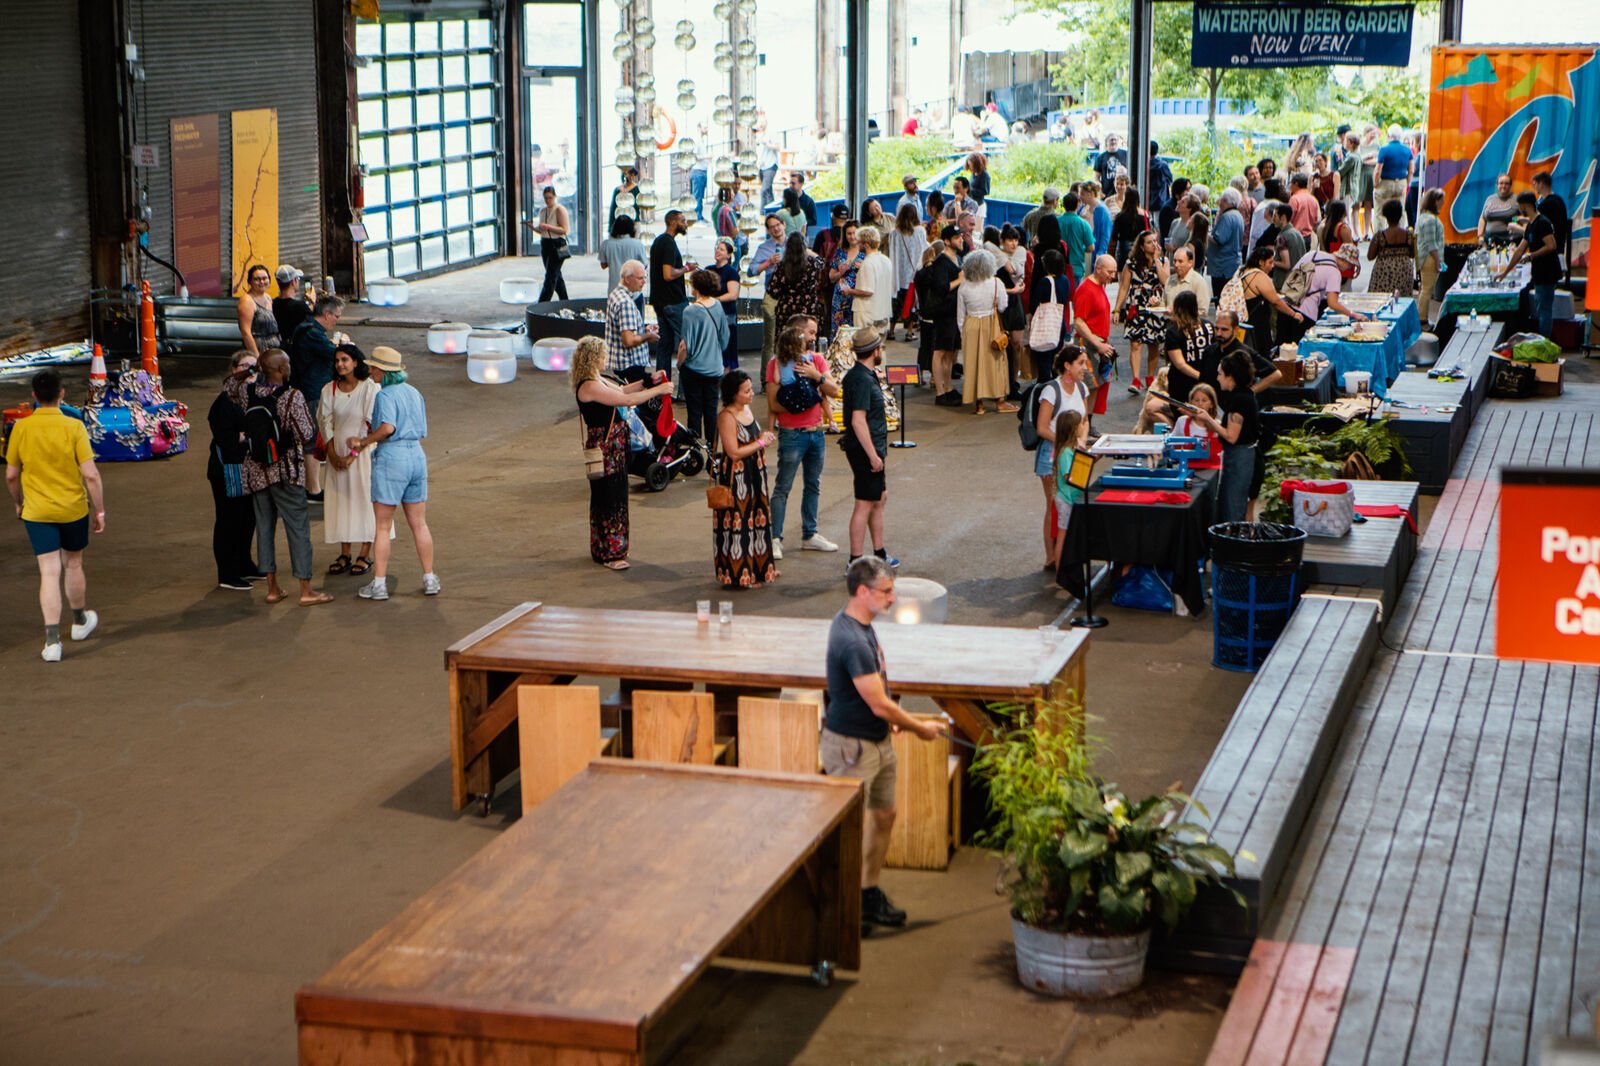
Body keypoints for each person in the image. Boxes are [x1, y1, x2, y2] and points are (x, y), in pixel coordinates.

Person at [823, 556, 946, 930]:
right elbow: (878, 703)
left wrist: (894, 717)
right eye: (887, 592)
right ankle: (844, 906)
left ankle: (867, 893)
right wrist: (919, 726)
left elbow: (878, 693)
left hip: (875, 738)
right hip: (852, 746)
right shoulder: (851, 640)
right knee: (851, 827)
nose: (893, 599)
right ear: (863, 592)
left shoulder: (863, 625)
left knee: (882, 814)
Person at [7, 369, 105, 661]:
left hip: (37, 511)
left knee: (48, 572)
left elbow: (12, 476)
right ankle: (78, 622)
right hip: (72, 508)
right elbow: (91, 475)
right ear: (62, 394)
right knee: (73, 564)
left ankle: (52, 642)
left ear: (34, 396)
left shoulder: (20, 429)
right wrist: (99, 509)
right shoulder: (74, 427)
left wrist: (19, 502)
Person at [230, 349, 329, 607]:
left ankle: (273, 588)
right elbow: (307, 433)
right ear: (282, 370)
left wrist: (252, 371)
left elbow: (229, 385)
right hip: (285, 470)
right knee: (298, 529)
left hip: (256, 472)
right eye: (287, 363)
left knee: (264, 528)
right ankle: (306, 590)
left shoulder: (247, 393)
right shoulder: (292, 396)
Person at [570, 336, 672, 571]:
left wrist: (648, 381)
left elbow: (625, 389)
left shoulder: (597, 380)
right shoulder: (590, 385)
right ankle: (611, 552)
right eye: (604, 355)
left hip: (613, 445)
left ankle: (603, 547)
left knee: (610, 496)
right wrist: (658, 390)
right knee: (610, 497)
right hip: (607, 448)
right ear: (594, 358)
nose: (607, 359)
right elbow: (626, 399)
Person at [345, 346, 439, 600]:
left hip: (392, 457)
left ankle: (379, 584)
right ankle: (430, 578)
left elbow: (387, 428)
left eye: (374, 367)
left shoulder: (385, 396)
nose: (371, 371)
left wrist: (362, 442)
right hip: (416, 456)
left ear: (383, 371)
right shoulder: (414, 393)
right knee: (419, 523)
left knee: (383, 526)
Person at [765, 322, 839, 559]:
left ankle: (810, 534)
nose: (811, 339)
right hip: (792, 434)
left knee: (813, 484)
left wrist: (816, 377)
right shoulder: (775, 363)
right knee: (783, 487)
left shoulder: (816, 361)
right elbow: (773, 403)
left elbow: (834, 390)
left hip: (816, 432)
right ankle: (775, 538)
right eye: (808, 334)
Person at [318, 344, 383, 578]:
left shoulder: (369, 388)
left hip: (362, 456)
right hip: (337, 457)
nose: (340, 364)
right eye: (337, 361)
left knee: (364, 501)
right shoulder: (329, 389)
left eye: (345, 359)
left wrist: (352, 456)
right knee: (341, 503)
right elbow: (324, 423)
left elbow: (369, 424)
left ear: (356, 362)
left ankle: (364, 553)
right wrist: (333, 455)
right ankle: (344, 552)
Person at [712, 369, 779, 588]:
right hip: (738, 476)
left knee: (758, 518)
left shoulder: (746, 409)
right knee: (739, 521)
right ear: (734, 394)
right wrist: (760, 444)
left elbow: (750, 439)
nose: (751, 394)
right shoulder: (727, 417)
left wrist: (762, 438)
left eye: (751, 389)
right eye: (746, 391)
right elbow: (733, 452)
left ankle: (759, 568)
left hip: (755, 472)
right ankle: (740, 573)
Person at [841, 328, 897, 568]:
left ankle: (879, 552)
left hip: (869, 447)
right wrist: (873, 455)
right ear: (875, 351)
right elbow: (858, 420)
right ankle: (855, 560)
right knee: (864, 503)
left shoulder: (862, 375)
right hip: (865, 449)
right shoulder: (862, 380)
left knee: (879, 498)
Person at [1032, 346, 1090, 568]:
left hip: (1075, 453)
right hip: (1052, 454)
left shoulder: (1082, 389)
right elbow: (1042, 428)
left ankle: (1065, 551)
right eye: (1081, 363)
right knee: (1054, 505)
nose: (1084, 368)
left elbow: (1085, 420)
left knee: (1071, 502)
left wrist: (1081, 442)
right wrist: (1066, 443)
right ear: (1067, 366)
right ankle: (1051, 555)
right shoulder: (1051, 391)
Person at [207, 351, 260, 591]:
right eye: (245, 366)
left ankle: (244, 564)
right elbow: (226, 438)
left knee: (248, 518)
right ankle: (227, 573)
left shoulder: (252, 396)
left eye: (254, 366)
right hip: (226, 471)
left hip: (248, 469)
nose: (250, 371)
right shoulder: (225, 402)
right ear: (234, 370)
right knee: (229, 521)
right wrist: (247, 436)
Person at [1191, 351, 1259, 523]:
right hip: (1240, 455)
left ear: (1231, 376)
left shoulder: (1239, 399)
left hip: (1240, 457)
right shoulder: (1244, 394)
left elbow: (1231, 436)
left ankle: (1231, 543)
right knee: (1229, 503)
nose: (1218, 378)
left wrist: (1207, 418)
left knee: (1232, 505)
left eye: (1220, 374)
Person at [1140, 290, 1213, 428]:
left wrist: (1199, 376)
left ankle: (1176, 431)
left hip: (1183, 387)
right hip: (1207, 384)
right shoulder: (1208, 326)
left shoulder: (1174, 332)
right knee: (1152, 406)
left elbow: (1180, 364)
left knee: (1152, 409)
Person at [955, 250, 1014, 415]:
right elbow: (1002, 306)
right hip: (991, 324)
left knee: (973, 364)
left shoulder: (964, 286)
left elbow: (961, 316)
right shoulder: (996, 283)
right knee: (995, 363)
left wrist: (963, 334)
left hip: (970, 325)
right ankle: (999, 401)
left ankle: (979, 404)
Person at [1499, 191, 1561, 339]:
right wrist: (1505, 272)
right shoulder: (1531, 225)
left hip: (1547, 272)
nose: (1519, 208)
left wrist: (1531, 256)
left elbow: (1551, 245)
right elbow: (1520, 249)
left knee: (1544, 309)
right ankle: (1542, 339)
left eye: (1519, 205)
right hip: (1539, 273)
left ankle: (1544, 341)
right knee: (1541, 308)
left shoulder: (1543, 223)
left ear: (1526, 205)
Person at [676, 269, 729, 443]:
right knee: (711, 410)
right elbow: (725, 337)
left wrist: (679, 364)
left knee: (694, 411)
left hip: (694, 369)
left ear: (695, 287)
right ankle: (712, 449)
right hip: (714, 368)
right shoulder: (718, 306)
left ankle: (694, 448)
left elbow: (685, 346)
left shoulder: (690, 311)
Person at [1115, 231, 1169, 392]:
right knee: (1136, 343)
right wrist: (1117, 309)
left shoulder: (1163, 261)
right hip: (1136, 306)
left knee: (1153, 344)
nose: (1153, 244)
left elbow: (1166, 281)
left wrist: (1157, 261)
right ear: (1141, 246)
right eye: (1149, 242)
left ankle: (1150, 377)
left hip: (1155, 306)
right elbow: (1124, 287)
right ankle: (1136, 379)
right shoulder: (1131, 263)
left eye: (1154, 241)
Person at [650, 210, 695, 379]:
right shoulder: (668, 243)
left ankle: (662, 389)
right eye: (683, 220)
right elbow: (667, 274)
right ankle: (687, 391)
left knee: (665, 346)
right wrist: (687, 269)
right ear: (673, 222)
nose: (686, 224)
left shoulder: (659, 242)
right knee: (689, 341)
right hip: (673, 302)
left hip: (661, 302)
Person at [1238, 243, 1309, 349]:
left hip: (1244, 320)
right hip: (1258, 325)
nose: (1273, 266)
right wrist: (1293, 314)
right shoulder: (1259, 276)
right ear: (1261, 262)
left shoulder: (1244, 272)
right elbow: (1275, 301)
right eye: (1270, 262)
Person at [1073, 255, 1119, 417]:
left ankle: (1088, 423)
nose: (1112, 276)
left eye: (1114, 272)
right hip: (1087, 345)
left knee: (1096, 385)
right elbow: (1079, 322)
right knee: (1087, 387)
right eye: (1109, 272)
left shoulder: (1100, 285)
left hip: (1099, 344)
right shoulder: (1086, 289)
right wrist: (1097, 343)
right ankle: (1082, 424)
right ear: (1098, 269)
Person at [1048, 404, 1090, 570]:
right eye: (1080, 425)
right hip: (1066, 498)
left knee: (1068, 533)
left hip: (1071, 497)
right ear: (1073, 429)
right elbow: (1069, 476)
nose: (1082, 427)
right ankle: (1060, 570)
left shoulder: (1072, 448)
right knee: (1063, 534)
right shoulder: (1066, 452)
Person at [605, 260, 660, 378]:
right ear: (627, 279)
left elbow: (624, 329)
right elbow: (629, 340)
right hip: (630, 364)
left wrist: (644, 330)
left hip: (620, 362)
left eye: (644, 278)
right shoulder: (626, 303)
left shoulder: (615, 294)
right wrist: (648, 336)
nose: (644, 282)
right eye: (640, 278)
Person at [1026, 249, 1074, 383]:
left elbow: (1034, 304)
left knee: (1044, 362)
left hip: (1046, 326)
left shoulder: (1045, 282)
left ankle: (1045, 390)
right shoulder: (1065, 280)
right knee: (1055, 358)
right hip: (1059, 323)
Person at [928, 234, 964, 405]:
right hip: (944, 312)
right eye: (957, 238)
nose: (961, 240)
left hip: (955, 312)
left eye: (961, 237)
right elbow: (941, 288)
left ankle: (948, 387)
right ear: (947, 242)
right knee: (940, 351)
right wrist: (959, 280)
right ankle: (940, 392)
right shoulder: (941, 262)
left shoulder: (957, 259)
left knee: (951, 351)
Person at [768, 233, 826, 339]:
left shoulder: (782, 266)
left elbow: (773, 291)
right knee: (809, 342)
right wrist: (812, 253)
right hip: (809, 309)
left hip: (787, 312)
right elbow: (823, 264)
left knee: (787, 342)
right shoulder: (813, 264)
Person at [747, 213, 788, 361]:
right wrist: (768, 262)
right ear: (769, 231)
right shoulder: (764, 247)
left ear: (784, 224)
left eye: (778, 225)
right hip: (773, 294)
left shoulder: (795, 242)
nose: (776, 229)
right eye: (772, 227)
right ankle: (766, 380)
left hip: (793, 294)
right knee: (771, 339)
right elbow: (751, 271)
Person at [887, 204, 927, 343]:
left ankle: (891, 331)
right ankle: (909, 332)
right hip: (913, 275)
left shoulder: (894, 233)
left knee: (896, 304)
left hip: (898, 277)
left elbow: (892, 254)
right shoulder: (920, 231)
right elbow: (924, 250)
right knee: (910, 304)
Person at [1367, 198, 1417, 297]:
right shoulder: (1408, 235)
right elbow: (1412, 254)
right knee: (1402, 301)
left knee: (1381, 300)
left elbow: (1370, 256)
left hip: (1384, 271)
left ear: (1386, 216)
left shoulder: (1380, 236)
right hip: (1404, 270)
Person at [853, 226, 896, 338]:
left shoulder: (868, 263)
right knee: (880, 350)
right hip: (883, 312)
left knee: (865, 349)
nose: (857, 245)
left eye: (859, 242)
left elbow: (867, 291)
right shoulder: (886, 260)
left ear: (866, 244)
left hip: (867, 314)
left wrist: (849, 291)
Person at [828, 218, 867, 335]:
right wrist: (840, 272)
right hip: (840, 299)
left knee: (856, 331)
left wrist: (863, 267)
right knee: (838, 332)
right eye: (849, 233)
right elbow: (831, 277)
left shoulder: (865, 252)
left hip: (857, 297)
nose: (852, 236)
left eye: (854, 233)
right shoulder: (840, 252)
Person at [533, 185, 571, 301]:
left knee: (550, 277)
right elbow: (542, 231)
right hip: (545, 243)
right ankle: (565, 301)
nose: (548, 201)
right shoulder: (543, 211)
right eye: (545, 198)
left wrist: (548, 227)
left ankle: (542, 304)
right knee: (556, 276)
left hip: (556, 243)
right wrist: (533, 227)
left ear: (555, 197)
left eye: (550, 198)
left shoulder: (559, 209)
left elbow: (564, 229)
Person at [1207, 189, 1246, 299]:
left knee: (1221, 297)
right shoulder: (1238, 215)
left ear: (1225, 200)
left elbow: (1219, 239)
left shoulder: (1227, 217)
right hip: (1233, 262)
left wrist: (1207, 235)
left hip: (1223, 266)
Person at [710, 238, 742, 371]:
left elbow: (733, 294)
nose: (718, 250)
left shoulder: (731, 272)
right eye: (717, 248)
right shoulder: (709, 270)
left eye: (722, 249)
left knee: (726, 349)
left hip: (726, 315)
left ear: (729, 255)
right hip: (711, 315)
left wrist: (714, 300)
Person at [235, 264, 279, 358]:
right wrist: (257, 357)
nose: (262, 282)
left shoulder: (268, 297)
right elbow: (246, 332)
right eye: (257, 279)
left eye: (264, 278)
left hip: (273, 351)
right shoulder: (247, 301)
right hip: (258, 350)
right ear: (250, 282)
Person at [1416, 188, 1446, 329]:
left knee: (1425, 289)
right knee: (1427, 290)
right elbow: (1431, 243)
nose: (1443, 203)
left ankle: (1423, 317)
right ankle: (1422, 319)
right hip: (1430, 258)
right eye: (1441, 200)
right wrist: (1438, 260)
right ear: (1435, 201)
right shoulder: (1429, 220)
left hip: (1428, 258)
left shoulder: (1425, 217)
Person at [1533, 170, 1570, 280]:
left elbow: (1538, 228)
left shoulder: (1545, 205)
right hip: (1559, 250)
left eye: (1535, 184)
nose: (1534, 187)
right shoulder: (1559, 200)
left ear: (1541, 184)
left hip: (1549, 255)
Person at [599, 215, 646, 294]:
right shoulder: (637, 244)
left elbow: (603, 265)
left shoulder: (606, 244)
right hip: (634, 290)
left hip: (614, 290)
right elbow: (644, 265)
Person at [1374, 125, 1413, 216]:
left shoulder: (1384, 149)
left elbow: (1378, 170)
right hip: (1401, 182)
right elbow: (1411, 170)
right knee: (1400, 211)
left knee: (1380, 211)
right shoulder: (1407, 150)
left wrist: (1376, 183)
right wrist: (1406, 182)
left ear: (1389, 136)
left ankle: (1381, 230)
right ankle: (1400, 229)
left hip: (1386, 182)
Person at [1109, 186, 1150, 270]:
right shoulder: (1144, 215)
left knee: (1122, 270)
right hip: (1139, 247)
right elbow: (1148, 232)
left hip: (1123, 246)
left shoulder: (1120, 216)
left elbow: (1114, 236)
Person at [272, 266, 312, 350]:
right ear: (293, 282)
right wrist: (312, 302)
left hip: (279, 346)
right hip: (297, 349)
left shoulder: (272, 303)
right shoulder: (300, 306)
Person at [1056, 194, 1094, 281]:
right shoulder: (1083, 224)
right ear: (1078, 204)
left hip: (1058, 266)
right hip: (1076, 267)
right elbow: (1091, 247)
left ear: (1063, 205)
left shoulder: (1056, 222)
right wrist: (1081, 247)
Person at [1477, 173, 1519, 246]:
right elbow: (1482, 218)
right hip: (1490, 241)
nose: (1503, 186)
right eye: (1501, 183)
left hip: (1511, 241)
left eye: (1506, 183)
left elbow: (1522, 218)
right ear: (1497, 185)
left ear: (1510, 185)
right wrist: (1480, 236)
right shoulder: (1490, 199)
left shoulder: (1516, 199)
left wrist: (1514, 220)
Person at [1355, 126, 1380, 241]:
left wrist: (1367, 160)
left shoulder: (1376, 146)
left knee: (1369, 205)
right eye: (1371, 133)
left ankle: (1366, 232)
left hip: (1371, 175)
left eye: (1375, 134)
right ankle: (1357, 232)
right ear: (1366, 133)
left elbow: (1378, 160)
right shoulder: (1360, 145)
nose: (1373, 136)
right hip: (1361, 176)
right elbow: (1359, 160)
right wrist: (1370, 156)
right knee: (1357, 204)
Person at [1080, 183, 1113, 261]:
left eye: (1082, 194)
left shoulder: (1102, 210)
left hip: (1095, 249)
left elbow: (1106, 234)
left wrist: (1101, 253)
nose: (1080, 197)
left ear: (1090, 194)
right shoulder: (1082, 208)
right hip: (1082, 249)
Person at [1159, 177, 1191, 248]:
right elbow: (1166, 234)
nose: (1189, 192)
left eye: (1189, 189)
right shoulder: (1168, 209)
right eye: (1186, 189)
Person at [1094, 133, 1127, 197]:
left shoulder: (1125, 154)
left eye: (1115, 140)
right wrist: (1099, 192)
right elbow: (1096, 177)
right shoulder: (1101, 157)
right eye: (1111, 140)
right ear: (1106, 142)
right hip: (1106, 193)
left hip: (1122, 191)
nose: (1113, 142)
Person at [1287, 174, 1320, 238]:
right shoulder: (1313, 199)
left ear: (1296, 184)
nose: (1290, 186)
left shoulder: (1294, 199)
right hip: (1308, 236)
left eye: (1291, 183)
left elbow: (1289, 218)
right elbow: (1316, 220)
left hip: (1294, 236)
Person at [1147, 140, 1173, 215]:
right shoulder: (1162, 165)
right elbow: (1170, 180)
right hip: (1160, 200)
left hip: (1146, 199)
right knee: (1158, 224)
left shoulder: (1143, 164)